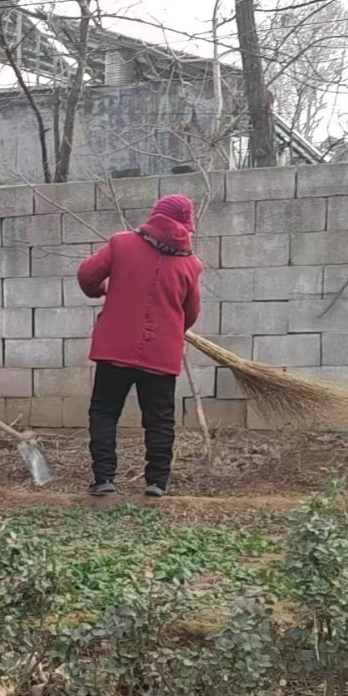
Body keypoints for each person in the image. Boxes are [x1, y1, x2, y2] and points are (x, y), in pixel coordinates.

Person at [77, 193, 203, 499]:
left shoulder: (121, 244)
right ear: (186, 225)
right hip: (161, 354)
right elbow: (191, 313)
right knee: (159, 419)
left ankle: (104, 478)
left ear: (155, 215)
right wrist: (171, 329)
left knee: (105, 411)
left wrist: (100, 290)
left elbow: (87, 275)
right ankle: (157, 482)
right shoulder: (191, 264)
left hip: (114, 350)